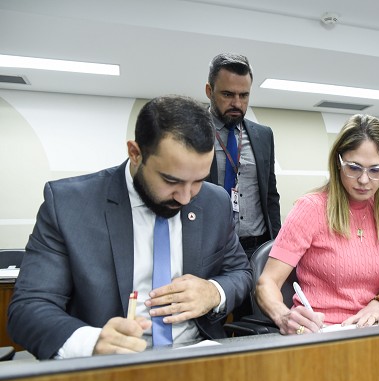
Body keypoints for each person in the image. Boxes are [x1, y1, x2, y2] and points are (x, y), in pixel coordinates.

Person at [8, 96, 252, 360]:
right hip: (108, 366)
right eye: (171, 181)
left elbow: (240, 272)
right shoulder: (68, 205)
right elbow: (29, 308)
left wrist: (213, 292)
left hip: (200, 359)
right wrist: (92, 342)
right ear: (135, 153)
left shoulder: (215, 202)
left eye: (198, 181)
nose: (185, 198)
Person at [255, 114, 379, 335]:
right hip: (320, 332)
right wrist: (283, 316)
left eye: (375, 170)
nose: (364, 180)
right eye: (354, 168)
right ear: (338, 162)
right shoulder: (311, 209)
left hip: (371, 332)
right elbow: (267, 282)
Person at [204, 53, 281, 259]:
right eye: (228, 94)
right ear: (209, 91)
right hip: (211, 247)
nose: (237, 103)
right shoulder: (192, 132)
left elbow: (270, 195)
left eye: (244, 95)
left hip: (257, 246)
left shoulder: (263, 135)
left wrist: (278, 245)